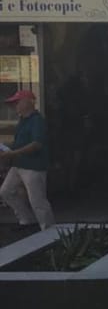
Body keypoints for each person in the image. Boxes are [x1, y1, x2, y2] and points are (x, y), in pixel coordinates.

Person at [0, 89, 55, 231]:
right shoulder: (22, 121)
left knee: (37, 199)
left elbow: (36, 144)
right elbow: (19, 143)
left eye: (17, 102)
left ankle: (49, 229)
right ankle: (26, 220)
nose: (14, 106)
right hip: (19, 164)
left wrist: (12, 153)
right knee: (6, 191)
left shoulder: (37, 121)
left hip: (33, 166)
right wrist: (8, 151)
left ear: (27, 102)